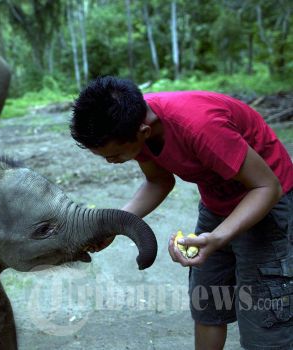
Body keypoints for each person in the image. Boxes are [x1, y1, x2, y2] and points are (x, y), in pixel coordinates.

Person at [70, 76, 293, 350]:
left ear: (143, 132)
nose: (110, 161)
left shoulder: (200, 126)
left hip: (265, 201)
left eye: (114, 155)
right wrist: (113, 225)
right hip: (217, 205)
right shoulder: (133, 123)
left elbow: (267, 186)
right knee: (207, 301)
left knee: (263, 314)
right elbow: (158, 181)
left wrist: (219, 237)